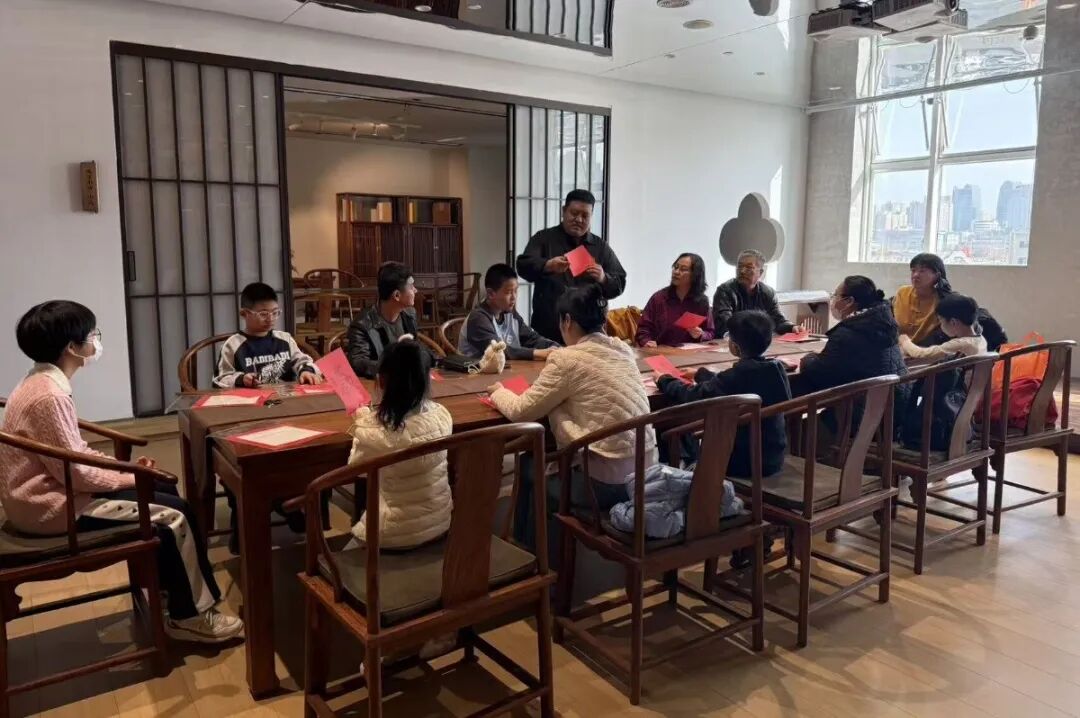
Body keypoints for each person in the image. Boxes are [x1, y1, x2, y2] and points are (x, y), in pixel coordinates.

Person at [0, 301, 243, 643]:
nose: (96, 340)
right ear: (71, 348)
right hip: (51, 507)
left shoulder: (40, 381)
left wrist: (125, 470)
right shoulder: (49, 397)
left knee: (166, 493)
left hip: (49, 493)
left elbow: (72, 454)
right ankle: (190, 616)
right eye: (92, 334)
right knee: (174, 515)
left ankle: (172, 590)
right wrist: (130, 477)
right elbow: (75, 472)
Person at [486, 284, 657, 553]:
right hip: (645, 474)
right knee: (543, 457)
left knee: (530, 466)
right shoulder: (623, 350)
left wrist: (498, 392)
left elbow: (521, 411)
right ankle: (538, 548)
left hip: (604, 483)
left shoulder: (567, 359)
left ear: (567, 321)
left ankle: (530, 554)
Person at [656, 310, 791, 479]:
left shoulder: (734, 377)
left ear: (735, 347)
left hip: (739, 462)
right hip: (773, 458)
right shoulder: (776, 370)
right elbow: (731, 384)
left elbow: (692, 396)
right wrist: (700, 374)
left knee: (675, 422)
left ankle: (691, 472)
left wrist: (664, 380)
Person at [347, 340, 453, 549]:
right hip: (439, 523)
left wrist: (362, 419)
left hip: (390, 534)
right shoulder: (443, 416)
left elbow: (356, 468)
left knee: (345, 556)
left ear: (382, 381)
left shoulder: (376, 431)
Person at [515, 189, 627, 343]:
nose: (579, 219)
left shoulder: (600, 246)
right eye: (574, 213)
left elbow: (620, 283)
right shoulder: (544, 238)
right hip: (549, 328)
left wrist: (603, 278)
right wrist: (547, 265)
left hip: (589, 331)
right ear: (563, 211)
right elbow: (522, 266)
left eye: (585, 216)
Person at [792, 276, 907, 398]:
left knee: (797, 387)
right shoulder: (885, 322)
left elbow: (820, 371)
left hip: (863, 407)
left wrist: (808, 358)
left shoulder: (847, 334)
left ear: (849, 301)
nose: (833, 301)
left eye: (835, 296)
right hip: (897, 402)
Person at [214, 282, 322, 388]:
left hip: (287, 395)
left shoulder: (285, 339)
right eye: (263, 314)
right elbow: (220, 379)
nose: (270, 319)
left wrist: (306, 371)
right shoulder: (233, 345)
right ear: (244, 314)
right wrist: (241, 379)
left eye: (275, 313)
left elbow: (303, 361)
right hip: (252, 397)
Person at [893, 253, 1007, 351]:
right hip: (899, 348)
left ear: (937, 275)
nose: (915, 275)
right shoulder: (902, 293)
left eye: (922, 271)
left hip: (927, 352)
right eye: (913, 270)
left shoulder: (945, 300)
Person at [347, 261, 435, 379]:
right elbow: (358, 363)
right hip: (378, 385)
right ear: (397, 295)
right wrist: (395, 368)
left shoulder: (409, 315)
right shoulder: (363, 324)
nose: (415, 290)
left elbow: (416, 347)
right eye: (411, 287)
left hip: (407, 382)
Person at [458, 264, 560, 361]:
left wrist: (556, 347)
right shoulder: (478, 318)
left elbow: (531, 339)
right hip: (475, 372)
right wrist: (538, 353)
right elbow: (498, 351)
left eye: (515, 291)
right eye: (508, 292)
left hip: (506, 370)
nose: (514, 297)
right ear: (490, 293)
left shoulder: (510, 313)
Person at [636, 253, 716, 347]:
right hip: (662, 352)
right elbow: (643, 329)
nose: (676, 272)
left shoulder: (702, 302)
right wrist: (647, 342)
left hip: (691, 353)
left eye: (683, 269)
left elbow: (710, 332)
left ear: (695, 275)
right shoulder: (658, 298)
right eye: (676, 267)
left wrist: (701, 334)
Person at [712, 249, 795, 337]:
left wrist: (792, 327)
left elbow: (778, 320)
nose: (742, 271)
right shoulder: (725, 291)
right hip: (731, 341)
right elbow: (724, 324)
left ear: (760, 272)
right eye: (740, 266)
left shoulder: (768, 293)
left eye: (749, 267)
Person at [899, 293, 987, 362]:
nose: (940, 326)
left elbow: (921, 354)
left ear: (953, 322)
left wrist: (905, 341)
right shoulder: (981, 339)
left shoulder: (960, 344)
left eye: (941, 321)